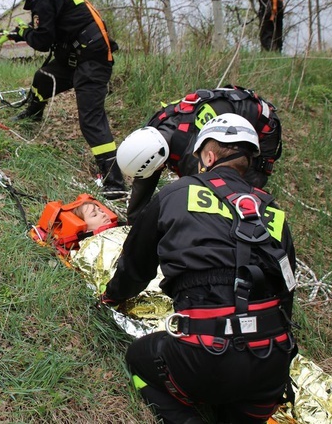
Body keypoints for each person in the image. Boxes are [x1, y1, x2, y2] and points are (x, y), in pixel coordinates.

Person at [102, 114, 297, 424]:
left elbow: (136, 266)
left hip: (204, 358)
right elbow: (286, 294)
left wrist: (112, 296)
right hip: (269, 372)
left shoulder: (177, 194)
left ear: (208, 156)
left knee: (138, 359)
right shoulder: (273, 213)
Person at [5, 0, 127, 200]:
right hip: (77, 58)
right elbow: (55, 28)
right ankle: (33, 114)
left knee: (91, 120)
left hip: (91, 63)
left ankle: (115, 181)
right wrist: (23, 32)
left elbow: (42, 41)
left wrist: (26, 34)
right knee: (43, 78)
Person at [117, 85, 282, 224]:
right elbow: (143, 184)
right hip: (230, 109)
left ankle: (242, 230)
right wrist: (133, 223)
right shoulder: (153, 133)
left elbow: (204, 192)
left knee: (235, 187)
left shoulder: (192, 154)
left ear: (159, 163)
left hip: (261, 124)